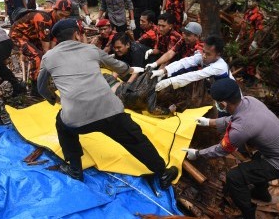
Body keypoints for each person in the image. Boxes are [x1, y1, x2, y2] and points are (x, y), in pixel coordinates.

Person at [37, 18, 178, 188]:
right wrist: (131, 70)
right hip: (110, 112)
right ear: (76, 34)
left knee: (63, 124)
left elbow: (41, 87)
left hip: (75, 118)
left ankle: (75, 169)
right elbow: (122, 68)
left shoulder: (48, 57)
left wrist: (55, 100)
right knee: (135, 139)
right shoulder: (91, 50)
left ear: (57, 39)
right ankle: (162, 172)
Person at [184, 78, 279, 219]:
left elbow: (222, 149)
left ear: (223, 104)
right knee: (257, 158)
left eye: (217, 103)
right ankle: (262, 193)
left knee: (234, 177)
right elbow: (236, 119)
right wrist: (210, 122)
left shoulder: (241, 128)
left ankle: (248, 215)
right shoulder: (250, 101)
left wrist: (198, 153)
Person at [9, 0, 72, 95]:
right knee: (37, 57)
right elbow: (46, 49)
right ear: (55, 10)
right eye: (61, 15)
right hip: (18, 35)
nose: (63, 19)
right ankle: (36, 88)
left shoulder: (56, 20)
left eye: (66, 17)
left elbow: (53, 41)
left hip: (33, 36)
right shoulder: (44, 19)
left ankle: (43, 79)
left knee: (48, 55)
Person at [150, 36, 233, 92]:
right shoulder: (202, 56)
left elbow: (195, 75)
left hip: (227, 95)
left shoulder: (219, 67)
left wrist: (169, 81)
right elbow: (184, 62)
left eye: (208, 54)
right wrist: (163, 71)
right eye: (203, 51)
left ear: (218, 54)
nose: (204, 56)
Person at [237, 0, 264, 85]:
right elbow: (243, 26)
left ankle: (251, 78)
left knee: (251, 59)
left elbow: (259, 30)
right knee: (243, 56)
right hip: (244, 38)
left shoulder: (259, 15)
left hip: (251, 38)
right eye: (248, 1)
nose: (249, 3)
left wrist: (255, 41)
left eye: (251, 1)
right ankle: (244, 75)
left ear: (257, 2)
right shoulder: (247, 12)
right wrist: (238, 36)